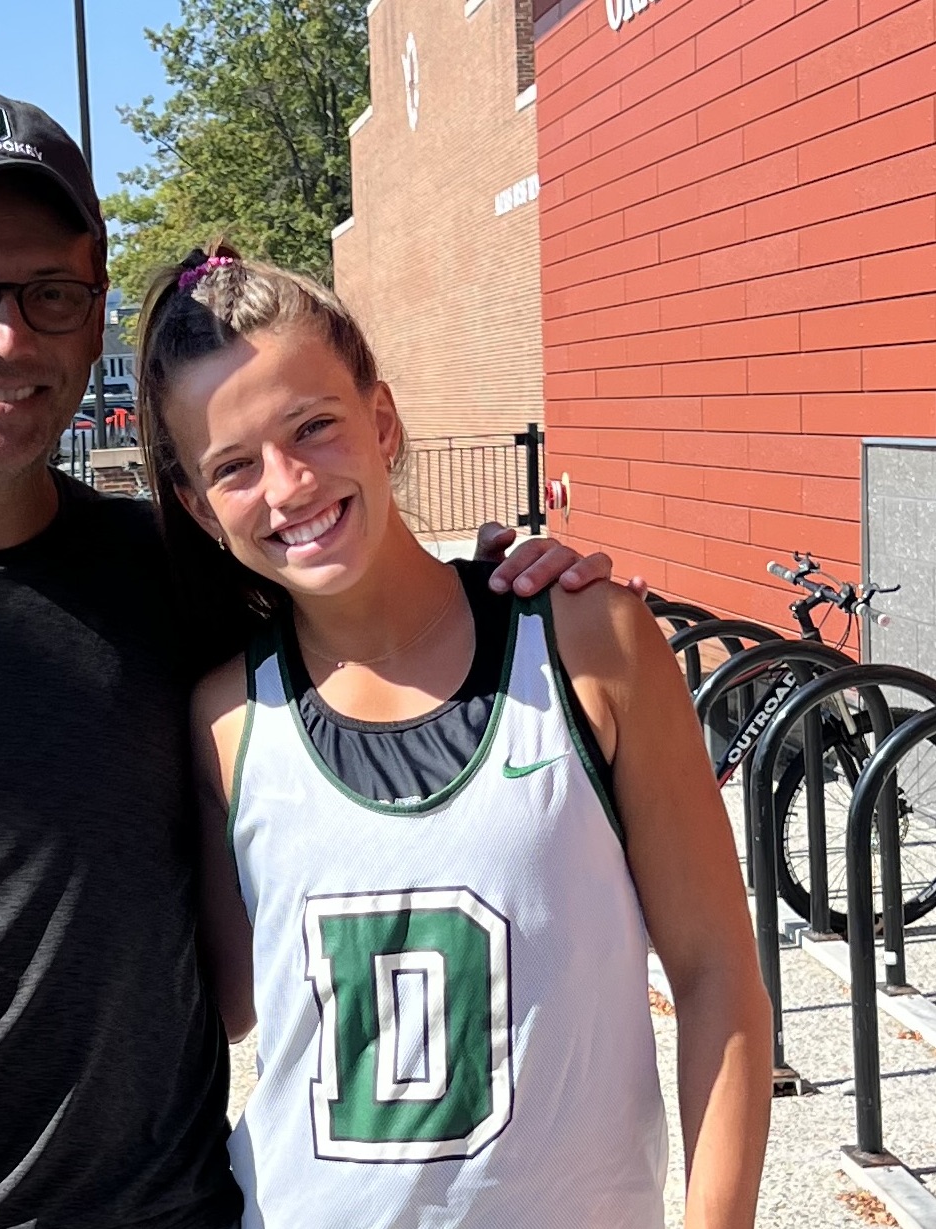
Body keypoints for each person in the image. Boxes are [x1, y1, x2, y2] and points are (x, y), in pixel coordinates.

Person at [0, 94, 626, 1229]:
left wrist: (505, 585)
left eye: (51, 292)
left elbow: (368, 622)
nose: (7, 337)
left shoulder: (181, 580)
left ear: (94, 322)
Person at [134, 246, 773, 1229]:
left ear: (382, 421)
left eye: (313, 426)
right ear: (196, 505)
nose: (288, 484)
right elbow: (228, 1008)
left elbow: (717, 974)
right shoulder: (225, 716)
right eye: (233, 466)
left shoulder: (589, 641)